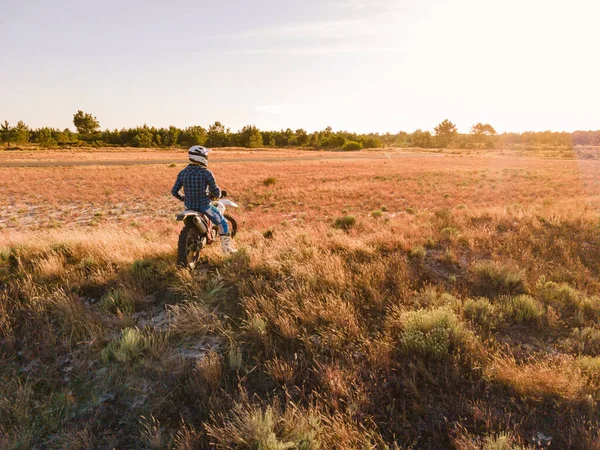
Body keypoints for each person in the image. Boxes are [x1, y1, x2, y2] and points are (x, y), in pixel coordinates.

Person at [171, 145, 237, 254]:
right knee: (223, 223)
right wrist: (218, 195)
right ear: (201, 157)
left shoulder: (183, 173)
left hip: (188, 207)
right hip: (205, 207)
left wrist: (184, 198)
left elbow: (174, 191)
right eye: (206, 156)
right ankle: (227, 250)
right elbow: (216, 191)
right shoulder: (206, 173)